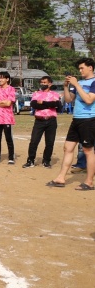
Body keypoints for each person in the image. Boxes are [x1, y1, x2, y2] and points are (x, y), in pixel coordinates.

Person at [48, 58, 95, 190]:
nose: (80, 71)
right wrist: (66, 86)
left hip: (89, 120)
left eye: (82, 68)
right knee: (67, 148)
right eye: (79, 68)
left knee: (88, 150)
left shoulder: (93, 82)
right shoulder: (79, 82)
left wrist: (77, 85)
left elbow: (89, 100)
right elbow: (69, 100)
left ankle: (89, 182)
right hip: (76, 119)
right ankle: (61, 178)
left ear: (90, 67)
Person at [25, 76, 62, 169]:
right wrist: (50, 105)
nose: (42, 84)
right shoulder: (36, 94)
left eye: (44, 82)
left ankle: (46, 161)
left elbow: (58, 105)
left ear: (50, 84)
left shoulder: (54, 94)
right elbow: (34, 105)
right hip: (39, 120)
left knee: (50, 142)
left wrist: (43, 103)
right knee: (34, 141)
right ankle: (30, 160)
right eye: (41, 82)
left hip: (51, 120)